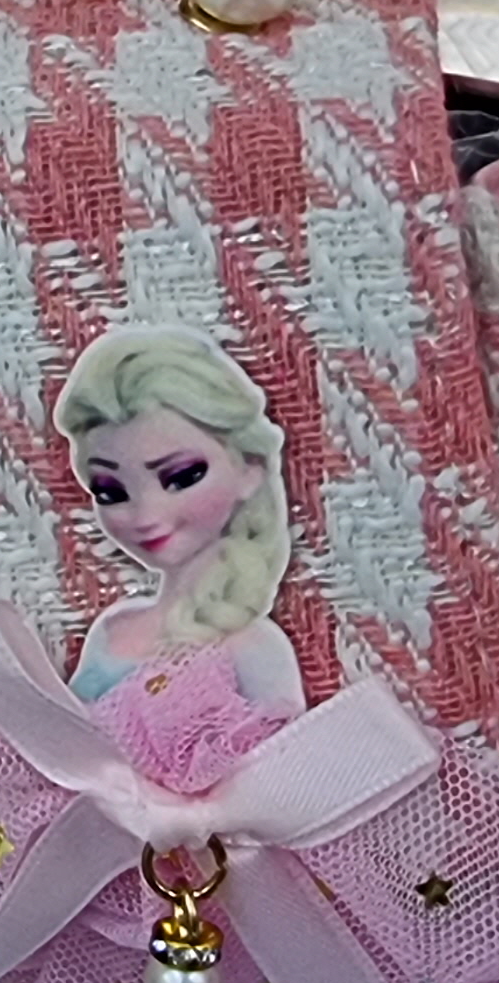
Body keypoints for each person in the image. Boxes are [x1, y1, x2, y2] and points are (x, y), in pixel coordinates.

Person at [48, 325, 308, 792]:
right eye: (110, 491)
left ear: (249, 470)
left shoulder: (254, 647)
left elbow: (286, 792)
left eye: (182, 477)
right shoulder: (112, 628)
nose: (147, 516)